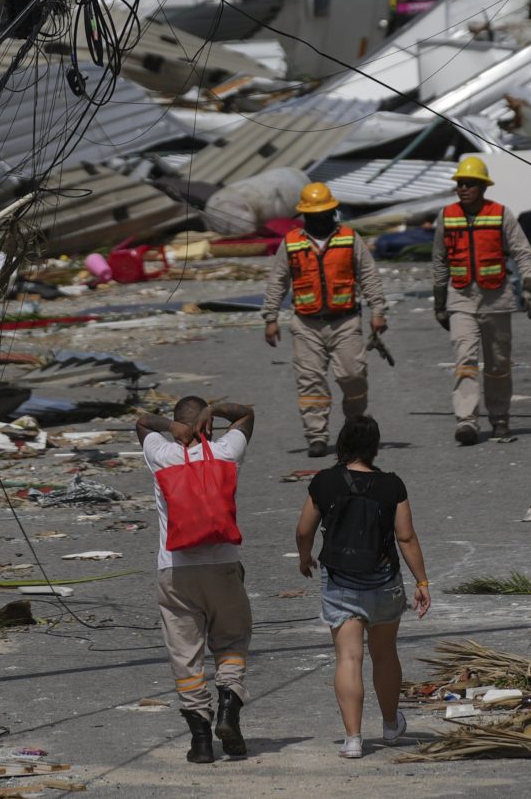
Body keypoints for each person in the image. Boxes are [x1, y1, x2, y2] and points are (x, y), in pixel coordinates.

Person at [295, 415, 431, 757]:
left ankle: (353, 740)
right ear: (374, 448)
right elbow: (406, 536)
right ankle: (389, 725)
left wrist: (304, 556)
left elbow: (303, 530)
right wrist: (422, 581)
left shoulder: (324, 482)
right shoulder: (391, 485)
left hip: (340, 581)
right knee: (384, 654)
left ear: (341, 443)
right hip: (384, 580)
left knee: (349, 657)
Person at [136, 394, 257, 763]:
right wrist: (217, 409)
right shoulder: (225, 452)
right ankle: (227, 708)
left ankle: (201, 741)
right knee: (232, 640)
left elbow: (141, 421)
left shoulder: (161, 454)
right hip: (223, 564)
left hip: (175, 569)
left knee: (185, 655)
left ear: (176, 426)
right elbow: (247, 413)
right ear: (207, 425)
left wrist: (169, 427)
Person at [264, 181, 386, 458]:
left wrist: (377, 312)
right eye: (313, 214)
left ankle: (354, 429)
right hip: (306, 324)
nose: (319, 219)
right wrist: (270, 318)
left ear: (332, 212)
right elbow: (277, 281)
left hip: (345, 321)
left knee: (354, 376)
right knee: (310, 381)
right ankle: (316, 436)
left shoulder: (349, 238)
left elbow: (369, 275)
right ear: (305, 215)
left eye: (323, 213)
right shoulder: (292, 242)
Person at [430, 154, 531, 445]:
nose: (463, 188)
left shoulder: (501, 214)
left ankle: (500, 418)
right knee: (465, 360)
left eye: (470, 184)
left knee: (498, 364)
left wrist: (529, 287)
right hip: (461, 298)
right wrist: (439, 301)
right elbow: (440, 260)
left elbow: (522, 252)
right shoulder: (446, 216)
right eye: (460, 184)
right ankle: (466, 422)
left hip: (497, 298)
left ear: (483, 187)